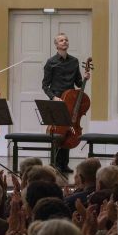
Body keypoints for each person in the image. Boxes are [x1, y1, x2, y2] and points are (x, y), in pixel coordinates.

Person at [42, 33, 90, 173]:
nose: (64, 42)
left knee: (69, 130)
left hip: (71, 101)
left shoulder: (74, 61)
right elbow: (45, 85)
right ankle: (55, 163)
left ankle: (64, 164)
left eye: (66, 40)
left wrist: (86, 78)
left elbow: (78, 83)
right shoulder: (51, 62)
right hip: (58, 100)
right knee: (58, 132)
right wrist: (53, 98)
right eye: (61, 40)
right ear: (56, 45)